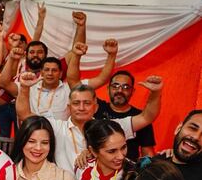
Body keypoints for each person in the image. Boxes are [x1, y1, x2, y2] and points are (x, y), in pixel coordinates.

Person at [17, 74, 162, 173]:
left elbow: (146, 117)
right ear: (69, 107)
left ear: (96, 107)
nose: (81, 108)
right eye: (76, 103)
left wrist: (155, 93)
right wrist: (24, 88)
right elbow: (24, 114)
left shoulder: (109, 128)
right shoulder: (56, 127)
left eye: (87, 103)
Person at [95, 70, 156, 160]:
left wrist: (151, 167)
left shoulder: (140, 117)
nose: (120, 90)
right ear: (108, 89)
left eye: (126, 87)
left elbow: (147, 153)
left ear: (132, 91)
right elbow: (78, 87)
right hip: (98, 165)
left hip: (129, 167)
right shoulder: (96, 108)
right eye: (115, 86)